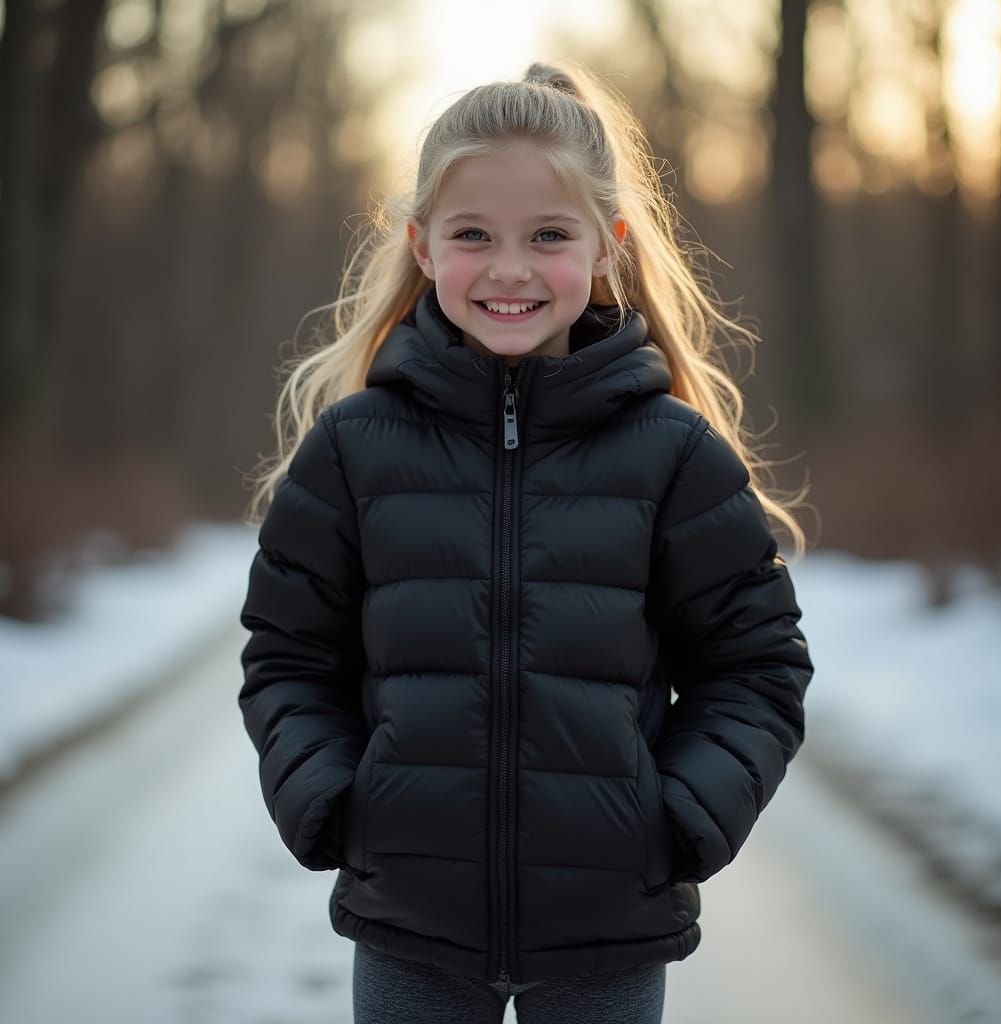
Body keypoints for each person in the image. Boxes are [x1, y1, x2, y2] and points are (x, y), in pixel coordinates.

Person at [238, 59, 814, 1024]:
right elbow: (288, 656)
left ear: (606, 248)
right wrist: (337, 801)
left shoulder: (671, 454)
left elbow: (756, 667)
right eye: (474, 235)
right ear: (423, 247)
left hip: (607, 938)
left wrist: (674, 822)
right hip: (411, 928)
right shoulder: (354, 449)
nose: (509, 269)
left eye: (548, 235)